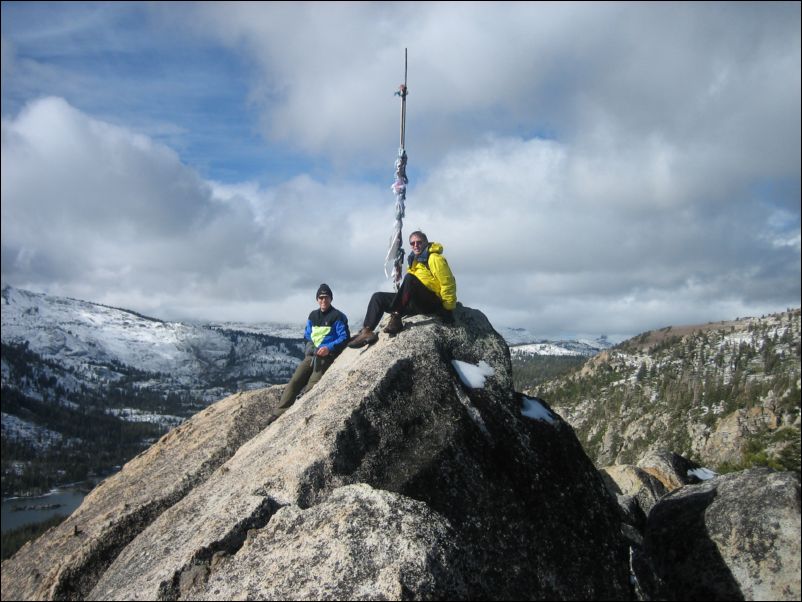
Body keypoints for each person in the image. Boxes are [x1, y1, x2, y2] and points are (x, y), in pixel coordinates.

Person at [349, 231, 457, 348]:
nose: (415, 245)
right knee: (378, 297)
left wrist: (448, 309)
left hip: (431, 302)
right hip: (417, 302)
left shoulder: (434, 258)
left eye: (419, 242)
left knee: (410, 278)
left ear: (426, 242)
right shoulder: (414, 259)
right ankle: (367, 331)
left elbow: (448, 283)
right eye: (412, 243)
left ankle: (396, 317)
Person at [267, 284, 350, 424]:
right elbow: (307, 335)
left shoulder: (338, 316)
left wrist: (328, 348)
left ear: (331, 299)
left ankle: (300, 413)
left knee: (313, 384)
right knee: (295, 381)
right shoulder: (313, 315)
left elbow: (344, 337)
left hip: (326, 357)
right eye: (321, 297)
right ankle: (279, 412)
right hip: (312, 355)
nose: (323, 300)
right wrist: (311, 347)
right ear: (317, 299)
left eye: (326, 297)